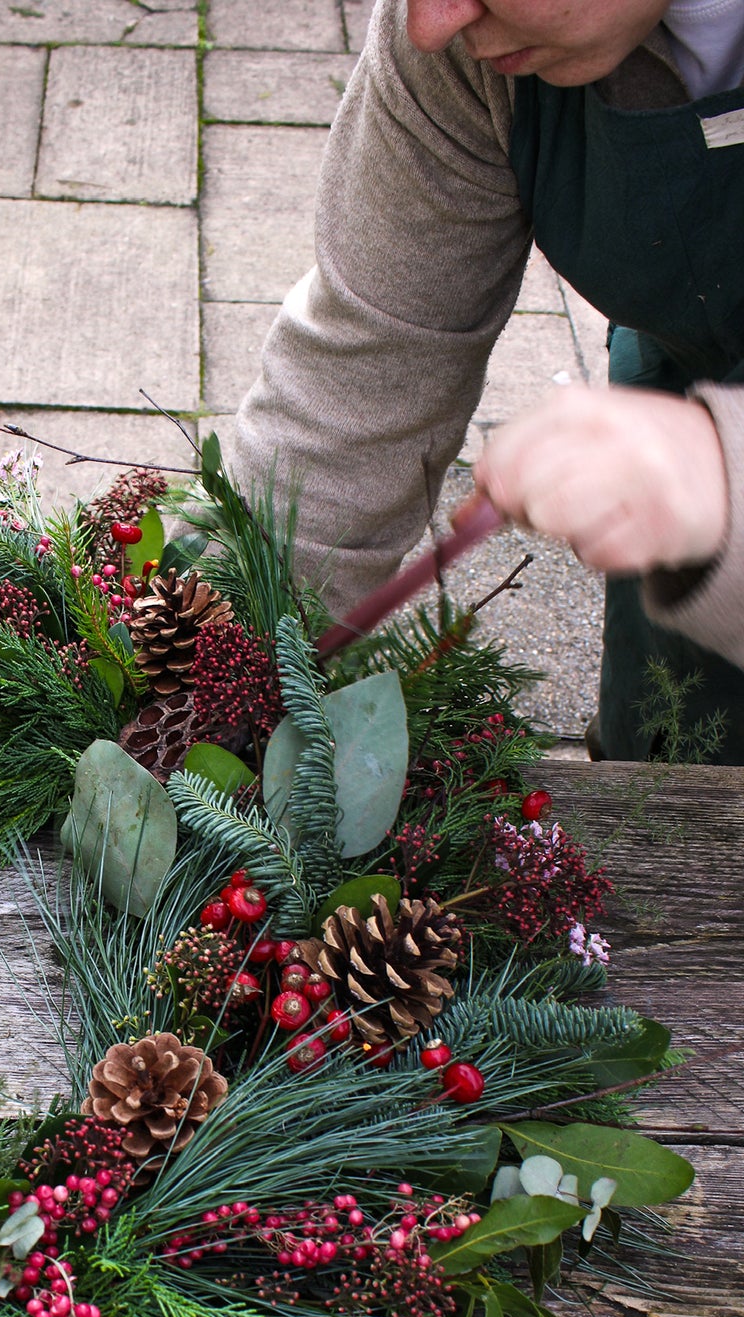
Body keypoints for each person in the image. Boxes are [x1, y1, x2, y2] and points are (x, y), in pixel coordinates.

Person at [234, 0, 744, 759]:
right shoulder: (455, 45)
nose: (431, 24)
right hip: (678, 428)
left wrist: (725, 472)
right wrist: (221, 656)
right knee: (669, 773)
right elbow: (362, 382)